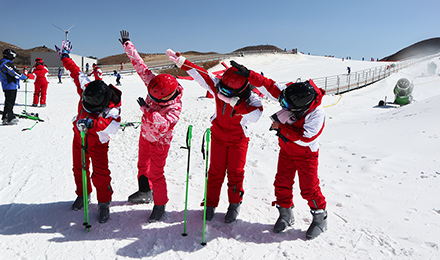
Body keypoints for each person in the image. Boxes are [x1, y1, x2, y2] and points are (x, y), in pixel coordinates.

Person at [231, 61, 328, 239]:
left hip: (306, 155)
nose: (283, 106)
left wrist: (281, 128)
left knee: (308, 188)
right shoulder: (292, 93)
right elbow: (269, 85)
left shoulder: (317, 114)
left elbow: (306, 138)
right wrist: (248, 74)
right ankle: (285, 214)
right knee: (282, 183)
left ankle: (320, 217)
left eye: (287, 106)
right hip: (286, 151)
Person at [167, 49, 263, 224]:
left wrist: (236, 103)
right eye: (223, 89)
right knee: (215, 172)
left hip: (238, 140)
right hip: (218, 136)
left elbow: (256, 116)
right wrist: (183, 62)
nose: (223, 93)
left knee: (235, 173)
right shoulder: (219, 85)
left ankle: (234, 204)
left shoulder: (252, 98)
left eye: (229, 92)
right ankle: (210, 204)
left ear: (241, 90)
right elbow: (202, 75)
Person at [55, 40, 122, 223]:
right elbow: (76, 72)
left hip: (97, 144)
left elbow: (114, 125)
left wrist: (93, 123)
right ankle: (83, 194)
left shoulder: (112, 107)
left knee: (100, 174)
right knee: (79, 169)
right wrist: (65, 57)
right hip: (79, 139)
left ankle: (104, 202)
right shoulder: (87, 88)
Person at [120, 30, 183, 222]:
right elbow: (141, 66)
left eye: (156, 99)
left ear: (166, 97)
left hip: (160, 142)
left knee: (156, 173)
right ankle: (144, 191)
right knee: (142, 166)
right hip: (145, 135)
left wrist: (148, 110)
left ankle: (160, 204)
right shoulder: (156, 83)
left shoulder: (174, 106)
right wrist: (128, 45)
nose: (152, 99)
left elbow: (164, 125)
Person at [0, 49, 27, 125]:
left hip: (8, 84)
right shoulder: (6, 63)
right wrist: (24, 77)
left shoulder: (4, 62)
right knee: (10, 102)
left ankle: (8, 115)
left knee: (9, 101)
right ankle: (8, 119)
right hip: (9, 85)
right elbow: (14, 72)